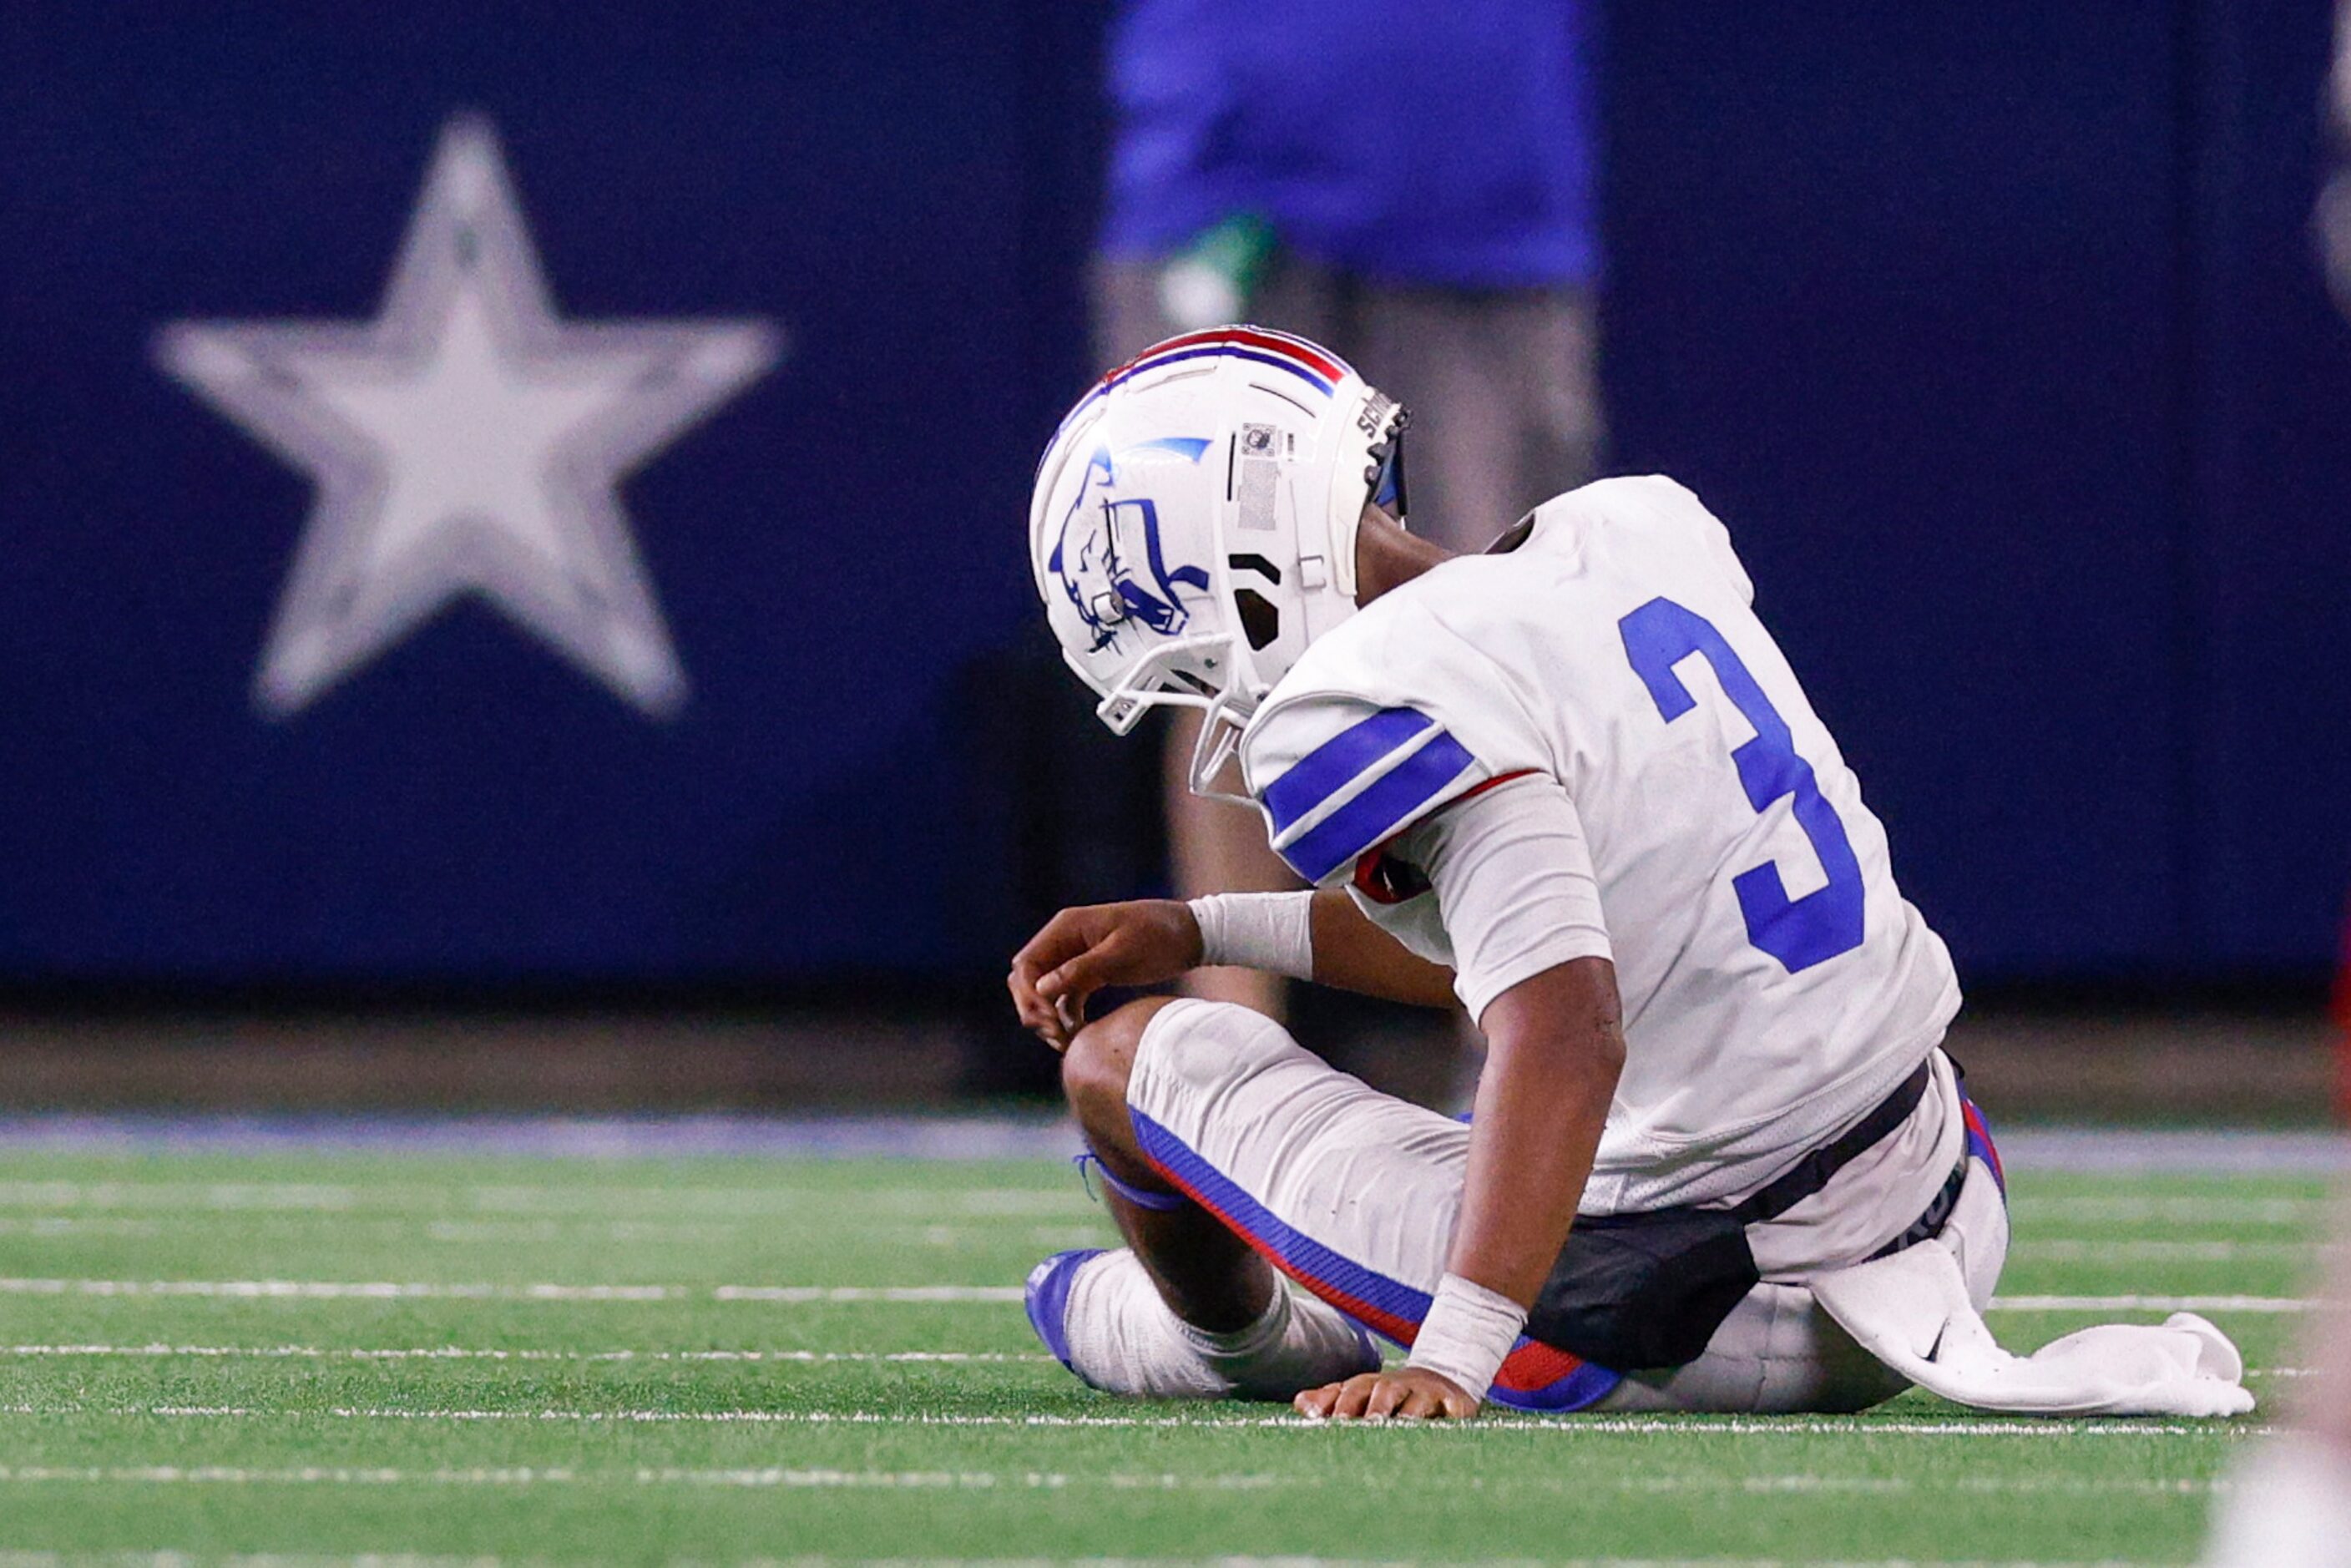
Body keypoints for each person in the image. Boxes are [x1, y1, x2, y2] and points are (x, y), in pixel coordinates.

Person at [1009, 325, 2255, 1420]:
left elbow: (1563, 1023)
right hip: (1944, 1185)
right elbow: (1521, 942)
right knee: (1497, 1119)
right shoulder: (1619, 532)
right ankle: (1389, 1302)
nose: (1221, 700)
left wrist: (1453, 1357)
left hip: (1707, 1299)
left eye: (1194, 664)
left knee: (1119, 1063)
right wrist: (1204, 924)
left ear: (1246, 582)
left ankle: (1242, 1339)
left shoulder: (1366, 697)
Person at [1095, 0, 1604, 1024]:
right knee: (1217, 633)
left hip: (1475, 176)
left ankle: (1522, 1043)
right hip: (1222, 175)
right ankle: (1230, 1050)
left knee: (1499, 639)